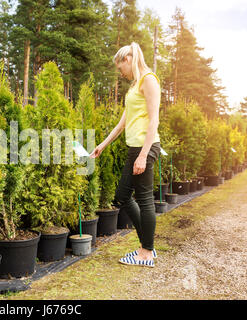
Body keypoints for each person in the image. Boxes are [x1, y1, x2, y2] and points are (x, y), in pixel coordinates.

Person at [90, 42, 161, 268]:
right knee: (122, 195)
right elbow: (123, 122)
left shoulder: (149, 79)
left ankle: (146, 252)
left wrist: (144, 154)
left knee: (145, 199)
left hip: (145, 147)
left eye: (120, 67)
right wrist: (103, 144)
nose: (120, 72)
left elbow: (154, 120)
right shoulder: (134, 85)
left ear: (128, 59)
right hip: (135, 148)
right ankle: (146, 246)